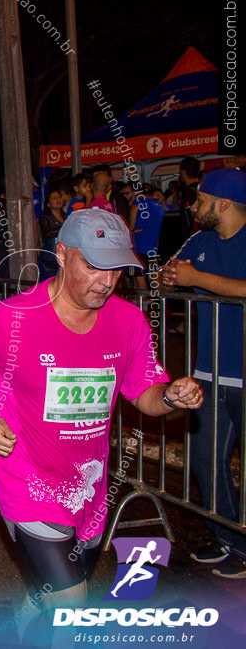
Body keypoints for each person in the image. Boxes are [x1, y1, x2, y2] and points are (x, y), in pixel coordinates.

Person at [0, 208, 202, 611]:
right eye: (94, 266)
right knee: (73, 605)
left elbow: (144, 392)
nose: (107, 282)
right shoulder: (12, 319)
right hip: (27, 481)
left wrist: (170, 397)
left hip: (87, 489)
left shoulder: (129, 321)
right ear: (61, 253)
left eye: (117, 269)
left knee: (55, 591)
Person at [160, 167, 246, 579]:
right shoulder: (200, 239)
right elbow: (174, 272)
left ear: (224, 203)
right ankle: (230, 538)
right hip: (208, 373)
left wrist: (198, 279)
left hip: (244, 373)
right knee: (206, 458)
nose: (194, 207)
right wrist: (170, 277)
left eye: (201, 200)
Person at [39, 190, 66, 277]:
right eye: (54, 198)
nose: (58, 199)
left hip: (65, 256)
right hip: (51, 258)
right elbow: (48, 234)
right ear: (48, 204)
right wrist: (64, 228)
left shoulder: (66, 216)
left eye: (59, 197)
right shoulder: (45, 219)